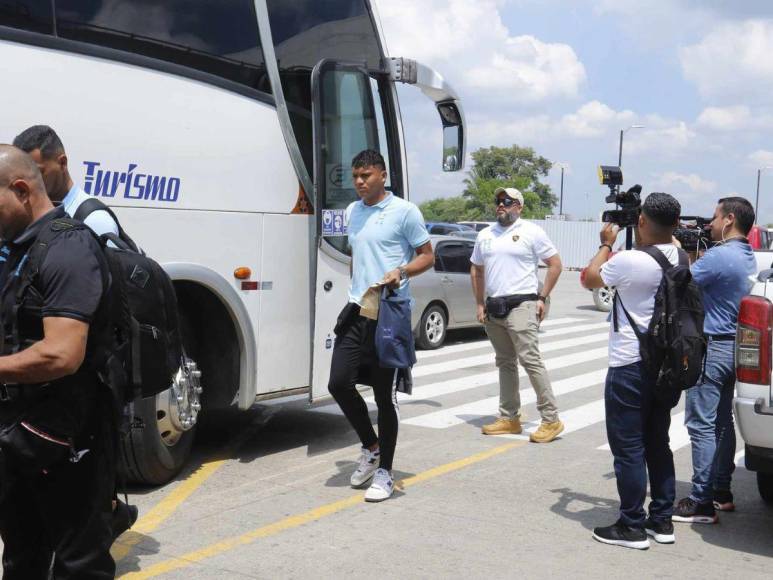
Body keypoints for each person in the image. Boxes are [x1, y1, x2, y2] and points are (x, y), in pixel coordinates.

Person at [12, 125, 136, 538]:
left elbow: (69, 346)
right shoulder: (20, 241)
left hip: (75, 416)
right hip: (30, 421)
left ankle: (108, 509)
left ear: (21, 189)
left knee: (76, 552)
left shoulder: (81, 230)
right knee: (26, 548)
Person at [0, 145, 116, 578]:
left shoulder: (68, 249)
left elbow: (62, 353)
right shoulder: (13, 248)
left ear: (21, 189)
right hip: (20, 430)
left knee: (77, 563)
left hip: (70, 432)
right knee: (21, 557)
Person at [327, 149, 434, 503]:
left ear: (382, 175)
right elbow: (359, 255)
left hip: (390, 312)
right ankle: (370, 447)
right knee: (338, 383)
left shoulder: (404, 211)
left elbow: (427, 256)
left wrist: (401, 271)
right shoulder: (352, 212)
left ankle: (386, 472)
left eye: (366, 176)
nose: (359, 182)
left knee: (384, 397)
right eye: (355, 176)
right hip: (358, 309)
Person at [582, 192, 683, 549]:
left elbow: (589, 279)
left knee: (628, 448)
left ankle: (631, 526)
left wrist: (605, 245)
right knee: (659, 443)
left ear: (641, 222)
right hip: (665, 366)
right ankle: (662, 521)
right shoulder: (681, 256)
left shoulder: (631, 261)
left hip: (629, 365)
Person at [672, 197, 757, 524]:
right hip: (734, 348)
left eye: (714, 217)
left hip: (713, 348)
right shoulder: (745, 255)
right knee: (721, 421)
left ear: (729, 219)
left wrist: (679, 250)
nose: (709, 223)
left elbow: (680, 282)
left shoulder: (720, 256)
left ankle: (701, 500)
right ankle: (721, 491)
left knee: (701, 424)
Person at [470, 187, 564, 443]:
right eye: (498, 201)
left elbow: (555, 264)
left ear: (519, 207)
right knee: (505, 362)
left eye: (508, 201)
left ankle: (551, 419)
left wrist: (542, 297)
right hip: (494, 306)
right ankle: (509, 418)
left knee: (530, 361)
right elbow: (476, 269)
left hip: (522, 304)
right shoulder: (485, 235)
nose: (501, 205)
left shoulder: (531, 231)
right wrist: (480, 303)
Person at [12, 125, 118, 237]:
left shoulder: (95, 220)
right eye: (21, 175)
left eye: (37, 173)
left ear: (62, 163)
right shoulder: (27, 212)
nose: (27, 183)